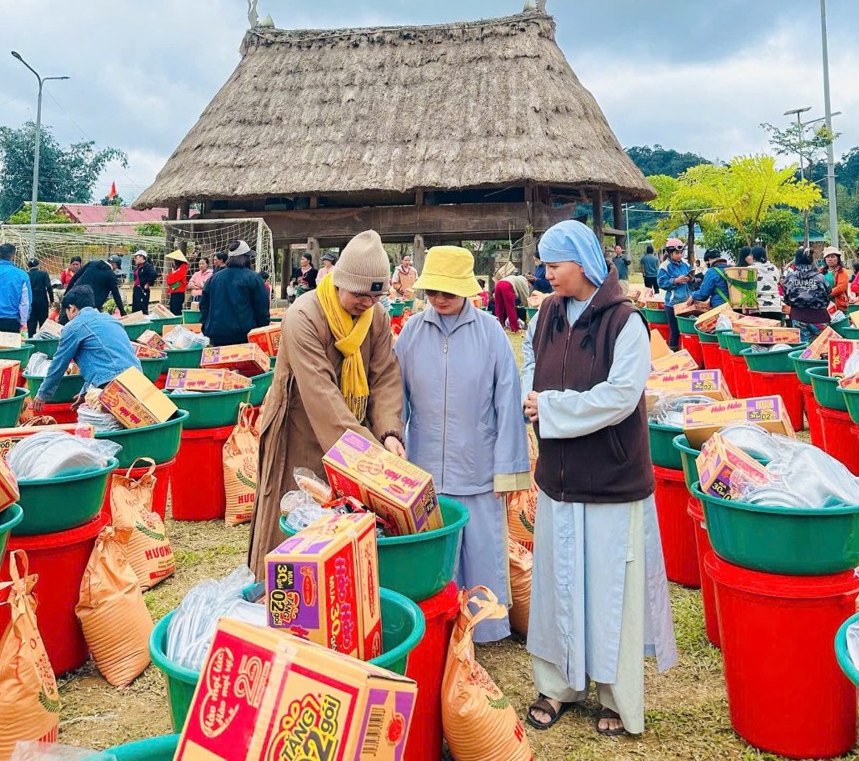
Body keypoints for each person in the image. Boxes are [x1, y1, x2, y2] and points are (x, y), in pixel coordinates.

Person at [521, 220, 676, 737]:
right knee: (557, 585)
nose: (546, 275)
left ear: (583, 264)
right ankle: (557, 685)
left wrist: (552, 407)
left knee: (611, 590)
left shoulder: (624, 322)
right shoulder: (545, 313)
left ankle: (616, 695)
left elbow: (620, 396)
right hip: (558, 476)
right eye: (544, 265)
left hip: (611, 475)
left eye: (554, 265)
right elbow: (529, 359)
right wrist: (531, 396)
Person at [249, 229, 405, 578]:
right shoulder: (304, 315)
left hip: (353, 425)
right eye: (359, 295)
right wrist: (370, 455)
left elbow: (384, 376)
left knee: (344, 517)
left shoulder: (376, 317)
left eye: (374, 296)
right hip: (299, 422)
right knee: (295, 508)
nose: (366, 303)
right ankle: (277, 586)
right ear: (339, 283)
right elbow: (320, 393)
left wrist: (389, 432)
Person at [395, 247, 530, 643]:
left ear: (469, 291)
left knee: (482, 547)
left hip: (479, 460)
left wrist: (509, 468)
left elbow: (508, 402)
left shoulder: (491, 333)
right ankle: (438, 628)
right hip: (423, 464)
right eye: (433, 291)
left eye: (448, 293)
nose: (439, 300)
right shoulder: (410, 333)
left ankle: (485, 626)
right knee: (435, 550)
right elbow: (395, 398)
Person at [30, 286, 141, 414]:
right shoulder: (110, 319)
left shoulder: (73, 327)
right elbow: (99, 358)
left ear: (72, 308)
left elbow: (59, 364)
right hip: (137, 377)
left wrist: (42, 395)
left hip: (113, 384)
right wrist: (84, 393)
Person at [200, 240, 271, 346]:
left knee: (221, 362)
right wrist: (261, 328)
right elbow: (262, 307)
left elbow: (203, 305)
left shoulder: (214, 278)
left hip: (216, 334)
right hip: (244, 335)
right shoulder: (253, 277)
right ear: (247, 257)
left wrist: (206, 325)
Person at [783, 247, 832, 342]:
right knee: (822, 350)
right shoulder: (820, 277)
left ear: (796, 259)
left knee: (804, 351)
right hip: (820, 317)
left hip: (798, 318)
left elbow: (786, 297)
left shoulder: (790, 277)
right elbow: (828, 296)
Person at [656, 238, 691, 349]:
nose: (679, 255)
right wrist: (675, 280)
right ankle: (674, 355)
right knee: (674, 331)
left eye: (681, 253)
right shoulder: (664, 266)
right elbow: (661, 283)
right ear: (670, 253)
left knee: (685, 331)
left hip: (686, 303)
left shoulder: (686, 264)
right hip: (672, 304)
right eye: (677, 253)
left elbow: (692, 279)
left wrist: (691, 279)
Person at [751, 246, 783, 321]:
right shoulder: (774, 268)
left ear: (753, 257)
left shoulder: (751, 269)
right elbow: (777, 282)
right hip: (776, 307)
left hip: (759, 307)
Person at [26, 259, 53, 335]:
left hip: (30, 301)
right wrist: (51, 300)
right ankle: (42, 342)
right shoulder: (44, 274)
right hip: (42, 301)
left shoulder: (26, 274)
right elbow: (49, 287)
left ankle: (31, 341)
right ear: (38, 265)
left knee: (31, 324)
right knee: (43, 324)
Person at [821, 246, 849, 313]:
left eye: (833, 257)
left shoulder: (842, 271)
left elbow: (840, 288)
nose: (830, 259)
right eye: (828, 257)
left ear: (838, 258)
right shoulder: (821, 271)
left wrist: (825, 294)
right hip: (823, 305)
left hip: (838, 305)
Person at [131, 250, 157, 315]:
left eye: (136, 257)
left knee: (142, 308)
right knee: (135, 308)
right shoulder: (138, 267)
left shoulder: (147, 266)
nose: (135, 259)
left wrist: (148, 283)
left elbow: (154, 274)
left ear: (142, 257)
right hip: (136, 289)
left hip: (142, 290)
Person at [165, 250, 189, 315]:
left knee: (176, 311)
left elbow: (170, 280)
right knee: (172, 310)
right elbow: (169, 280)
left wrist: (171, 275)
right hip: (175, 292)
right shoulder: (177, 269)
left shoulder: (183, 268)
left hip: (178, 293)